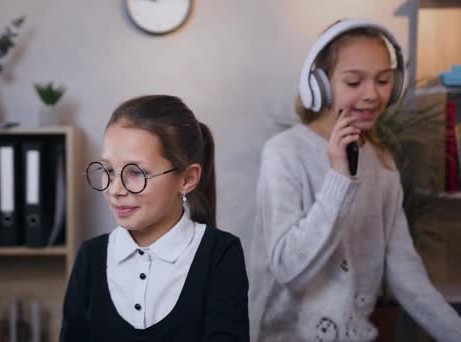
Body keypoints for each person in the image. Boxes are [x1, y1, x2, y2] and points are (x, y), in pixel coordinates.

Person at [248, 19, 461, 342]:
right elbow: (288, 268)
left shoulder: (382, 161)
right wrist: (338, 176)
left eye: (383, 80)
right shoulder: (284, 153)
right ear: (319, 86)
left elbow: (406, 274)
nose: (372, 94)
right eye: (353, 82)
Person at [60, 95, 249, 341]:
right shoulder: (91, 257)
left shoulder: (220, 253)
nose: (115, 189)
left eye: (136, 173)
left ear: (187, 179)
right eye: (108, 170)